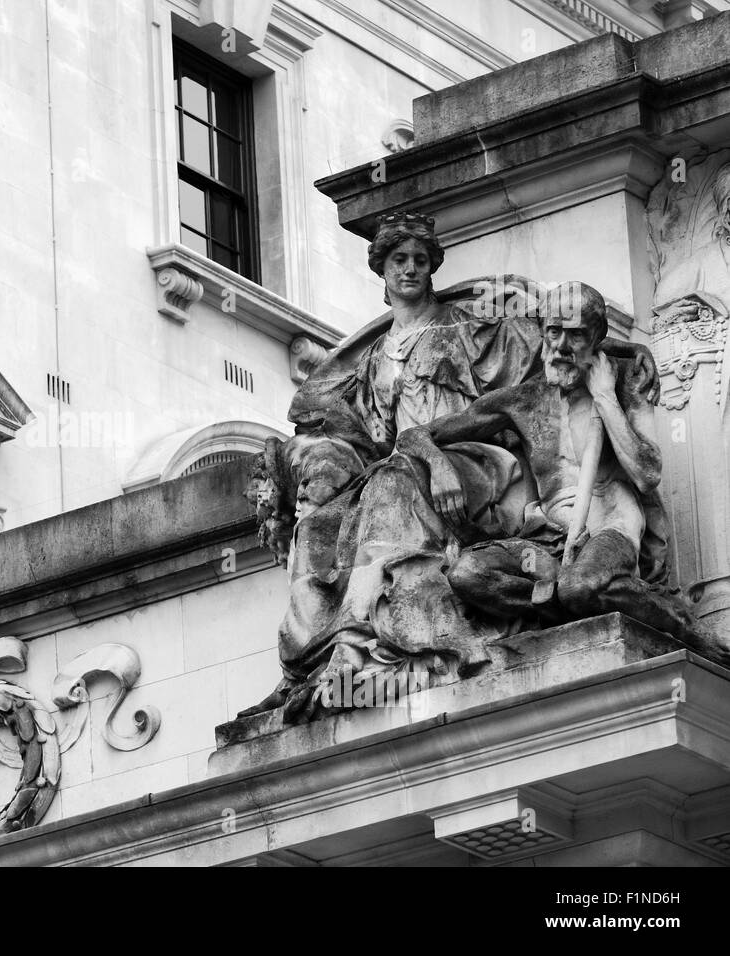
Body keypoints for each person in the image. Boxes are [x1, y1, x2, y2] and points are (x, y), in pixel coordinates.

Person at [242, 213, 660, 721]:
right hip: (411, 464)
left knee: (392, 480)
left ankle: (357, 648)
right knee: (318, 529)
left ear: (433, 266)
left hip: (475, 465)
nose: (411, 269)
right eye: (400, 260)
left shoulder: (469, 329)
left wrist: (617, 359)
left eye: (420, 259)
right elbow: (370, 437)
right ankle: (305, 664)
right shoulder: (372, 360)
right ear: (382, 268)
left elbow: (552, 350)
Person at [397, 284, 724, 662]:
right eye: (554, 332)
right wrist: (437, 465)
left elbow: (647, 473)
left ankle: (678, 621)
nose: (563, 346)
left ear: (597, 338)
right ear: (543, 332)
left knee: (581, 586)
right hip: (548, 539)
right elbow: (416, 436)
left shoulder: (622, 381)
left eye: (577, 335)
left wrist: (604, 396)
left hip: (611, 525)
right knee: (468, 573)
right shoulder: (521, 400)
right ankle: (559, 597)